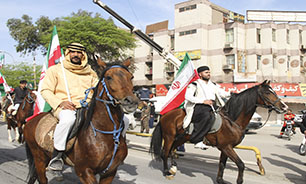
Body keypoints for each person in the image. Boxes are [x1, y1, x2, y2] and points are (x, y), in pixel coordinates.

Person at [41, 43, 98, 171]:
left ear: (83, 55)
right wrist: (61, 102)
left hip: (87, 107)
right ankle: (57, 155)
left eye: (79, 52)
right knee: (68, 120)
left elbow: (97, 90)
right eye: (73, 52)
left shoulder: (91, 73)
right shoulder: (56, 70)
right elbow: (45, 90)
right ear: (68, 53)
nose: (76, 55)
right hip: (65, 106)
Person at [183, 66, 230, 149]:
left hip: (212, 106)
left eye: (209, 72)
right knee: (207, 116)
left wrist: (232, 94)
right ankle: (197, 140)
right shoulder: (195, 84)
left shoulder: (213, 85)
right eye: (206, 72)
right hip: (199, 106)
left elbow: (222, 93)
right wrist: (203, 101)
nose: (209, 74)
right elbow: (188, 96)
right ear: (200, 74)